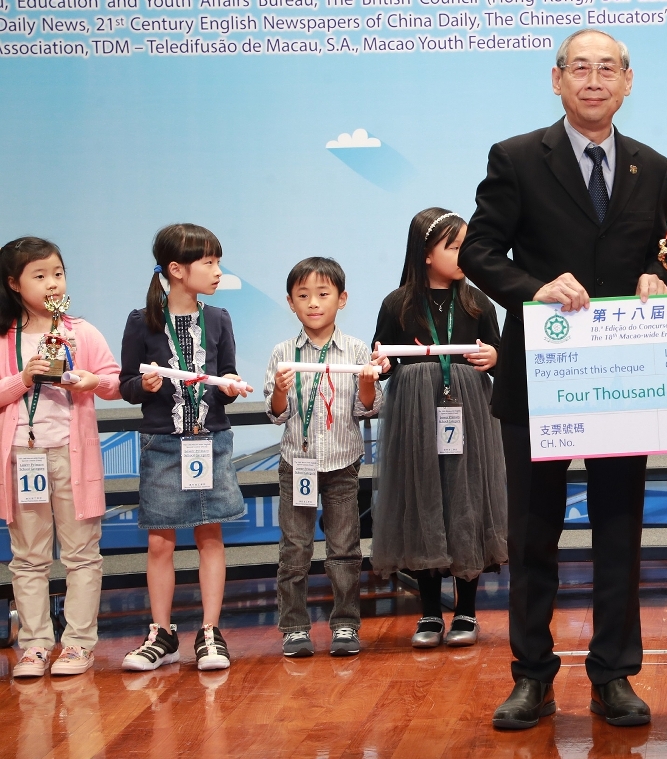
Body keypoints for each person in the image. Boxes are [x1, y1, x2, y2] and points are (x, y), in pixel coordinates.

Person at [458, 28, 667, 730]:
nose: (593, 80)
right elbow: (480, 252)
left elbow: (659, 253)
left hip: (621, 378)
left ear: (628, 81)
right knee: (532, 536)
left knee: (619, 530)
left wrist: (658, 275)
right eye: (580, 67)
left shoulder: (652, 166)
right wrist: (535, 289)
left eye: (607, 68)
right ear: (557, 80)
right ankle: (532, 677)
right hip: (538, 378)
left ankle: (614, 675)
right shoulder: (518, 157)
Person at [118, 224, 253, 671]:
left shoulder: (219, 319)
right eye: (208, 263)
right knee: (160, 542)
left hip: (210, 440)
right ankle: (161, 632)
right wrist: (144, 384)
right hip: (163, 443)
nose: (217, 272)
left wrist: (230, 385)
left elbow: (227, 375)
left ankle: (210, 631)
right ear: (176, 270)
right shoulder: (141, 321)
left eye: (218, 262)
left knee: (210, 535)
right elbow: (126, 385)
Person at [372, 208, 505, 650]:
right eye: (454, 247)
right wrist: (382, 364)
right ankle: (429, 611)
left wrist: (494, 357)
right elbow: (384, 361)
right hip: (415, 414)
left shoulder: (478, 301)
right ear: (426, 253)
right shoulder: (397, 304)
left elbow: (498, 354)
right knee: (423, 497)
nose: (464, 255)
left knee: (467, 499)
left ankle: (467, 610)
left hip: (469, 411)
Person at [0, 237, 120, 678]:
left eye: (58, 273)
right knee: (28, 557)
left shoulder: (80, 331)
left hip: (73, 457)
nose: (52, 283)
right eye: (40, 275)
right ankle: (34, 645)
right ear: (14, 283)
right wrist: (22, 378)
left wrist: (90, 381)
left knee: (81, 554)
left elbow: (114, 382)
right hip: (21, 456)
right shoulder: (4, 337)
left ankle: (77, 644)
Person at [263, 257, 384, 658]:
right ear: (290, 303)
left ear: (341, 299)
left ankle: (346, 624)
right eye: (303, 296)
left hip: (342, 464)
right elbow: (276, 414)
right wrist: (281, 390)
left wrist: (367, 384)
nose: (313, 303)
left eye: (322, 294)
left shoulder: (356, 349)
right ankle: (294, 628)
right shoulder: (283, 352)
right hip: (296, 464)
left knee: (344, 549)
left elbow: (368, 408)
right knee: (294, 549)